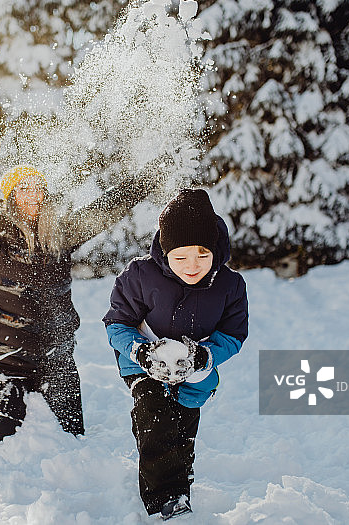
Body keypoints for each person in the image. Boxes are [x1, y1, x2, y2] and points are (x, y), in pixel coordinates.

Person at [0, 114, 156, 442]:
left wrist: (148, 178)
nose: (32, 194)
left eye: (37, 187)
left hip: (56, 358)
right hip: (0, 359)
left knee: (72, 441)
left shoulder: (60, 234)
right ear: (11, 196)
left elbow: (105, 208)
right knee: (0, 447)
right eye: (23, 189)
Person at [102, 188, 249, 520]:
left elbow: (233, 334)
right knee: (153, 413)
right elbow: (116, 324)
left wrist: (203, 357)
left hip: (193, 368)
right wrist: (140, 353)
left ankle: (181, 467)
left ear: (216, 250)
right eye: (180, 257)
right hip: (143, 361)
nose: (192, 266)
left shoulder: (230, 286)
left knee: (183, 419)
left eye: (202, 255)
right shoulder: (139, 276)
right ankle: (168, 498)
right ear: (165, 252)